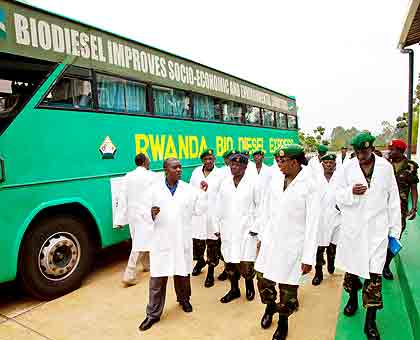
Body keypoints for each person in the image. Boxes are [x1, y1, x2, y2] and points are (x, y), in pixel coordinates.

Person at [335, 132, 401, 340]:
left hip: (377, 232)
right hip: (354, 230)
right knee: (352, 271)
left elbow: (393, 200)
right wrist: (350, 193)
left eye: (363, 151)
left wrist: (394, 232)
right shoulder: (347, 168)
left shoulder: (385, 167)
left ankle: (370, 322)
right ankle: (352, 298)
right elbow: (336, 196)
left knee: (374, 277)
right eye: (357, 152)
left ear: (371, 148)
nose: (360, 156)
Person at [255, 144, 320, 340]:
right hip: (270, 241)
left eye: (282, 161)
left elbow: (313, 223)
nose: (279, 164)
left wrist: (308, 256)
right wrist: (260, 236)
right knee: (263, 279)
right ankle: (269, 307)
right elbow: (265, 210)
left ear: (294, 162)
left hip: (293, 245)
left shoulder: (310, 185)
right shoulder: (276, 178)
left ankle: (283, 321)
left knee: (287, 287)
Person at [138, 158, 208, 331]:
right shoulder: (153, 190)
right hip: (161, 241)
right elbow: (140, 212)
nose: (179, 170)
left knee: (182, 275)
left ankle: (184, 300)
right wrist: (150, 214)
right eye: (174, 167)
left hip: (181, 240)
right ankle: (152, 314)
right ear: (165, 170)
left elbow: (199, 210)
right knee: (157, 280)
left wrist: (204, 193)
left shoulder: (188, 190)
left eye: (180, 167)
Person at [213, 153, 260, 304]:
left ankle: (249, 286)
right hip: (228, 230)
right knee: (230, 262)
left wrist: (256, 227)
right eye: (232, 164)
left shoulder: (253, 183)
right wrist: (216, 226)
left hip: (246, 231)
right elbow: (218, 206)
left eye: (238, 165)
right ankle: (234, 289)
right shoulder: (225, 183)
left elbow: (261, 207)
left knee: (246, 263)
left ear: (245, 167)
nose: (234, 167)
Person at [115, 153, 157, 286]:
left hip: (133, 215)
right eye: (148, 160)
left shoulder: (128, 176)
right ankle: (129, 273)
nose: (149, 163)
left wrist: (120, 219)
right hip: (146, 214)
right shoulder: (152, 176)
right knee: (140, 243)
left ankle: (146, 265)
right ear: (145, 162)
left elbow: (122, 198)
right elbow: (157, 194)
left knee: (141, 239)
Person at [383, 139, 418, 280]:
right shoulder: (384, 164)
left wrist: (414, 207)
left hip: (400, 210)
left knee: (395, 238)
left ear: (400, 151)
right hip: (382, 208)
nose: (389, 152)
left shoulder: (411, 166)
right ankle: (377, 263)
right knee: (380, 236)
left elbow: (414, 188)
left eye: (392, 150)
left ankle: (386, 265)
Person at [190, 149, 223, 287]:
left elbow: (223, 195)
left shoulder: (220, 174)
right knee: (197, 242)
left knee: (212, 244)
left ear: (214, 159)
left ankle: (210, 271)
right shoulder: (196, 172)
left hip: (213, 214)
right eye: (206, 159)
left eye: (211, 158)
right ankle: (200, 261)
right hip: (199, 214)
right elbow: (191, 191)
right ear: (202, 160)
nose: (208, 161)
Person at [312, 153, 341, 286]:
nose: (329, 165)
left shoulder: (340, 178)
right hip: (320, 218)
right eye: (326, 163)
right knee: (319, 247)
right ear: (322, 165)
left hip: (336, 218)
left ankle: (331, 264)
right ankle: (318, 273)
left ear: (335, 165)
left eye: (331, 163)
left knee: (333, 245)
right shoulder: (316, 179)